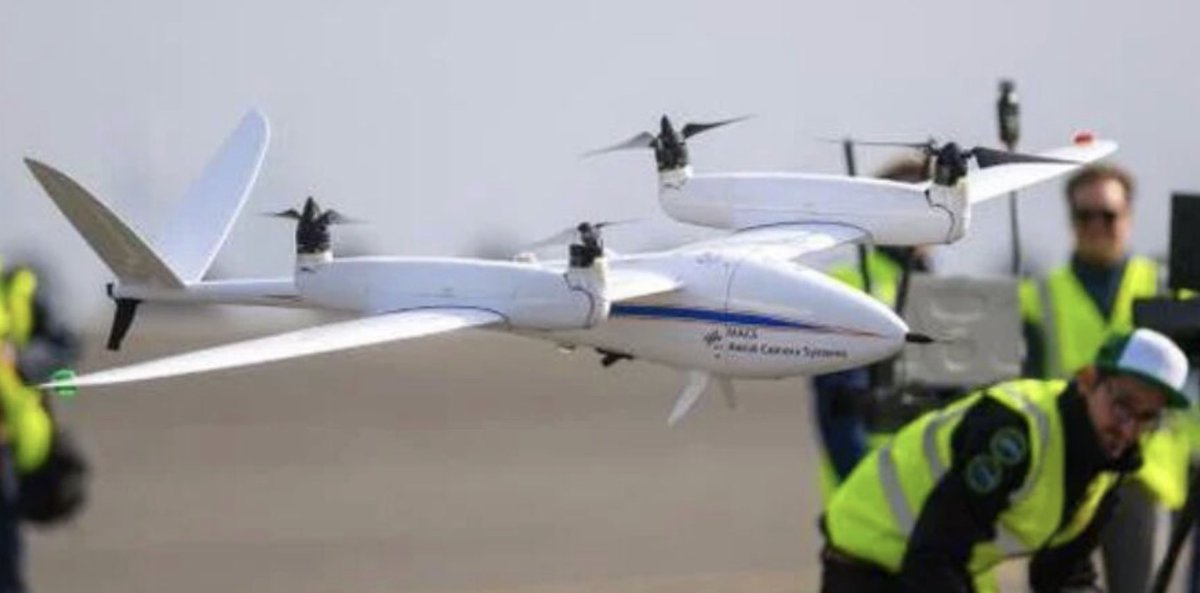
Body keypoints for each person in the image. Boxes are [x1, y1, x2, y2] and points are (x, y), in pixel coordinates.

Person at [820, 328, 1190, 593]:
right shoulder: (1015, 431)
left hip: (946, 565)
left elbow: (1061, 572)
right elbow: (932, 558)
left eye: (1147, 418)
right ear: (1087, 380)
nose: (1128, 429)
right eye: (1122, 405)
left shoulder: (1107, 463)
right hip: (871, 555)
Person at [1020, 164, 1189, 593]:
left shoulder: (1165, 287)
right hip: (1063, 467)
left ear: (1128, 217)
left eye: (1108, 215)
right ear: (1070, 220)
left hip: (1143, 471)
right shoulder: (1037, 296)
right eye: (1085, 216)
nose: (1097, 225)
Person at [813, 156, 932, 503]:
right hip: (869, 488)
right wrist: (867, 492)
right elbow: (836, 409)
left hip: (934, 488)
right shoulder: (845, 285)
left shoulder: (942, 290)